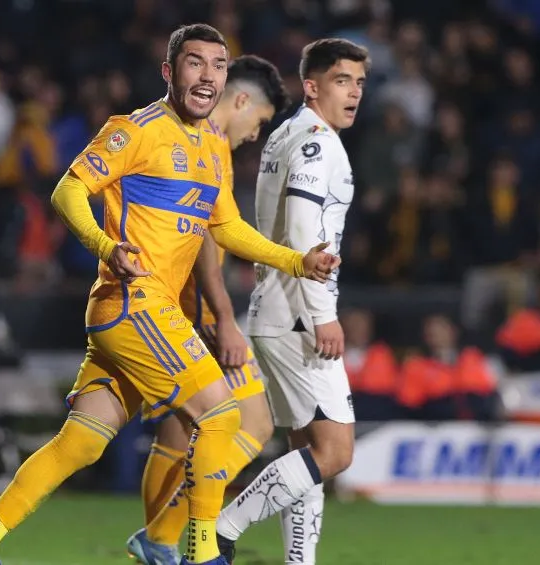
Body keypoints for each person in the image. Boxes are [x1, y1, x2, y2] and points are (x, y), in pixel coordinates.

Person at [0, 24, 339, 565]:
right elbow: (68, 190)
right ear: (170, 71)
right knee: (222, 416)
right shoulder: (137, 129)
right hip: (135, 304)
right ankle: (199, 553)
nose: (207, 75)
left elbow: (226, 229)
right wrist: (105, 246)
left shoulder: (210, 146)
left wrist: (297, 261)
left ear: (226, 79)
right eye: (194, 63)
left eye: (217, 65)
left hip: (132, 316)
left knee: (81, 441)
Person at [125, 54, 292, 565]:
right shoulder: (206, 142)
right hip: (181, 311)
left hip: (168, 306)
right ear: (240, 100)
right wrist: (224, 320)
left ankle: (161, 543)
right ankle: (163, 539)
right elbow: (202, 243)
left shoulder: (199, 139)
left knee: (180, 431)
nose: (255, 135)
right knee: (255, 422)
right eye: (259, 123)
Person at [214, 38, 370, 565]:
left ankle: (298, 562)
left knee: (306, 453)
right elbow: (304, 227)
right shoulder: (317, 143)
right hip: (300, 314)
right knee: (336, 452)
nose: (354, 93)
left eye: (360, 83)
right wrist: (323, 314)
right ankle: (220, 529)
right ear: (312, 86)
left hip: (275, 309)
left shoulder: (285, 133)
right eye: (342, 80)